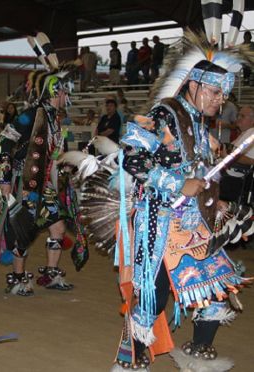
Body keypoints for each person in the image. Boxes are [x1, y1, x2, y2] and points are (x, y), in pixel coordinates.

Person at [108, 35, 254, 371]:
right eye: (215, 92)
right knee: (153, 295)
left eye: (225, 94)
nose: (221, 100)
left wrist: (211, 201)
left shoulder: (202, 124)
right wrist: (176, 183)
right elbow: (131, 156)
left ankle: (197, 351)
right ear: (194, 85)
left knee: (216, 286)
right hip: (160, 220)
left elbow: (201, 172)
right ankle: (133, 358)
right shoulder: (164, 113)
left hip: (195, 224)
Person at [0, 69, 84, 296]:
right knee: (23, 231)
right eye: (64, 92)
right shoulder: (31, 115)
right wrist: (3, 177)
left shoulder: (55, 118)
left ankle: (51, 274)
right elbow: (5, 139)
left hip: (46, 184)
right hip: (26, 183)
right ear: (55, 92)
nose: (66, 97)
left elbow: (53, 151)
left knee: (58, 227)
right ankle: (18, 279)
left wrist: (67, 165)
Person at [220, 106, 254, 204]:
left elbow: (251, 160)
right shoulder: (244, 133)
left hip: (234, 177)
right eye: (238, 115)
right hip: (229, 172)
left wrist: (228, 157)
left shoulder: (251, 132)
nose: (238, 118)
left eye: (242, 116)